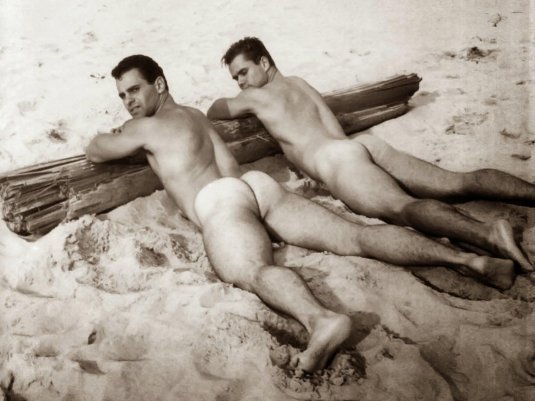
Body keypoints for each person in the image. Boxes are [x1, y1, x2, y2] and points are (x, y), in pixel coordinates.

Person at [85, 55, 515, 372]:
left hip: (221, 201)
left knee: (253, 271)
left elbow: (97, 150)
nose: (128, 101)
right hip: (257, 186)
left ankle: (320, 320)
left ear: (160, 84)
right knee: (354, 235)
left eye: (134, 90)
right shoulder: (196, 116)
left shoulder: (143, 127)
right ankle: (473, 259)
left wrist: (115, 133)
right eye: (122, 95)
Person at [207, 36, 535, 272]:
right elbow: (331, 124)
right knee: (455, 182)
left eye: (243, 72)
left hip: (336, 161)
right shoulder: (299, 83)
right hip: (360, 145)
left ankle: (487, 234)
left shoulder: (255, 98)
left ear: (264, 62)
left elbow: (215, 110)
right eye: (235, 78)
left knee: (402, 207)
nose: (240, 82)